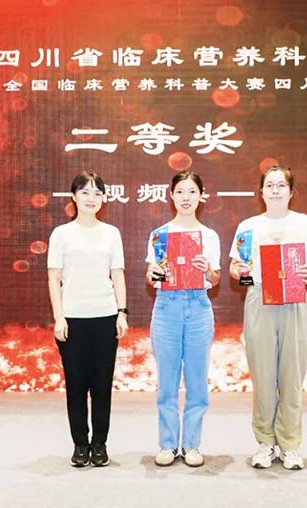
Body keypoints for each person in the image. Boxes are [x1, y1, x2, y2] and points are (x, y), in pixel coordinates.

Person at [229, 166, 307, 470]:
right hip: (259, 300)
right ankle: (265, 443)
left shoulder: (306, 224)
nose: (275, 191)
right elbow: (236, 270)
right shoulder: (248, 226)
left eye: (281, 186)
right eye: (270, 186)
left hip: (295, 301)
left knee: (291, 376)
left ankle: (289, 445)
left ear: (291, 192)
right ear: (261, 192)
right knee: (263, 376)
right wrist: (247, 278)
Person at [47, 171, 129, 468]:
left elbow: (117, 274)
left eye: (97, 193)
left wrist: (122, 311)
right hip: (72, 319)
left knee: (102, 386)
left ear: (104, 198)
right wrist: (59, 317)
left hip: (105, 317)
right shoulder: (61, 234)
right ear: (74, 196)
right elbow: (54, 278)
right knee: (76, 386)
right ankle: (80, 444)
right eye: (85, 192)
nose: (91, 198)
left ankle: (100, 444)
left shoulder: (111, 233)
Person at [145, 171, 221, 467]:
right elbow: (151, 276)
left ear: (201, 196)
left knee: (197, 381)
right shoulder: (159, 235)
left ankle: (191, 444)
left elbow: (215, 280)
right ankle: (167, 444)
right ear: (172, 196)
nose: (186, 198)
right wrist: (154, 275)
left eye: (192, 192)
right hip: (167, 307)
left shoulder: (209, 236)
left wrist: (207, 270)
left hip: (198, 307)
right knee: (167, 381)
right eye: (180, 192)